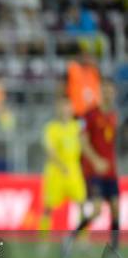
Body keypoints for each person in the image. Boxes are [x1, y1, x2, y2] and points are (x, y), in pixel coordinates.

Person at [66, 80, 121, 256]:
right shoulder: (89, 115)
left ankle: (114, 252)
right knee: (97, 210)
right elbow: (83, 142)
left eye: (111, 91)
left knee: (115, 210)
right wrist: (96, 160)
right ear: (100, 93)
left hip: (110, 172)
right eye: (105, 91)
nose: (108, 94)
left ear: (114, 94)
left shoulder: (113, 116)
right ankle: (71, 237)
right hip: (94, 171)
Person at [39, 96, 86, 231]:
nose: (65, 110)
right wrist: (61, 166)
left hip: (74, 171)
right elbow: (50, 151)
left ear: (71, 109)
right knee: (48, 207)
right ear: (57, 109)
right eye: (62, 106)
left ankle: (83, 239)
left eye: (67, 106)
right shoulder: (51, 128)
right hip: (56, 172)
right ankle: (43, 241)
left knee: (82, 204)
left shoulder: (77, 126)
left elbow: (85, 145)